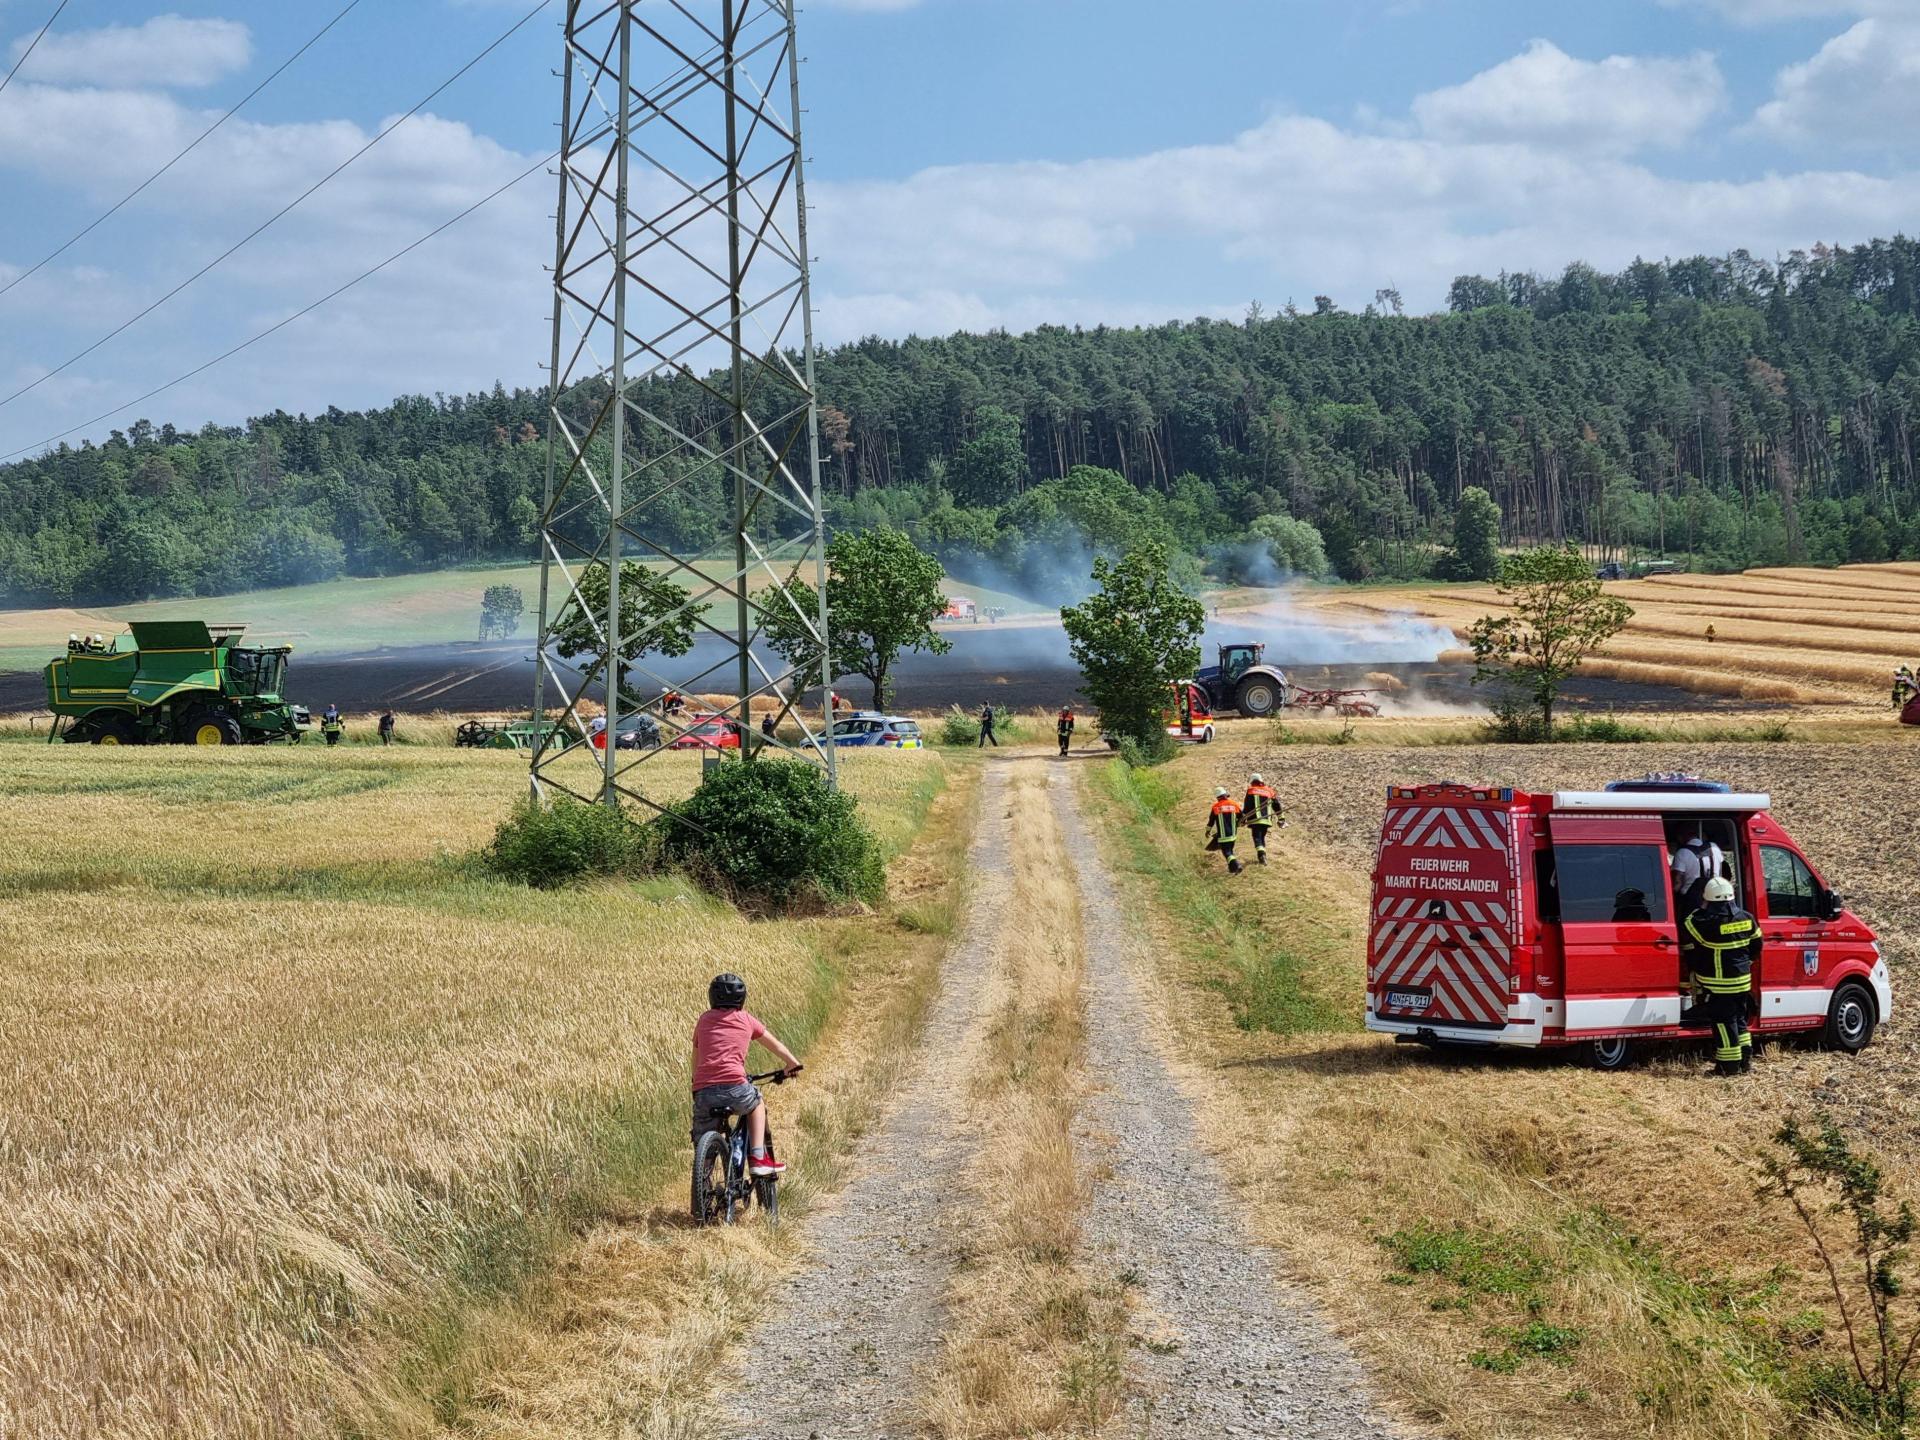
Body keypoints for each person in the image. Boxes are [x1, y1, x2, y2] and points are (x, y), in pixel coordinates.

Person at [691, 973, 802, 1177]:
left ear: (712, 997)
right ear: (742, 998)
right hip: (736, 1088)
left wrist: (695, 1085)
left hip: (704, 1092)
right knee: (757, 1102)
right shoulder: (746, 1019)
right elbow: (774, 1044)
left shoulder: (704, 1020)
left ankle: (701, 1186)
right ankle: (759, 1157)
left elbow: (695, 1057)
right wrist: (792, 1064)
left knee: (702, 1143)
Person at [1681, 876, 1760, 1076]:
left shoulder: (1705, 924)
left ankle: (1728, 1066)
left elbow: (1689, 926)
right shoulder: (1747, 918)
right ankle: (1744, 1060)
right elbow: (1757, 945)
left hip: (1720, 983)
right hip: (1742, 981)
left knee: (1723, 1023)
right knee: (1739, 1019)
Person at [1669, 827, 1725, 914]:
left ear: (1681, 837)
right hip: (1714, 896)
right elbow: (1721, 871)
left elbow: (1677, 883)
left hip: (1692, 900)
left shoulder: (1682, 852)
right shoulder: (1714, 847)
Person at [1242, 772, 1285, 865]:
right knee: (1262, 837)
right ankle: (1263, 855)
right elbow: (1277, 805)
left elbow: (1247, 806)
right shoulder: (1269, 791)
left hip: (1255, 820)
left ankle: (1261, 855)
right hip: (1266, 820)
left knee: (1257, 837)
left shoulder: (1251, 790)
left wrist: (1242, 819)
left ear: (1252, 782)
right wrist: (1281, 818)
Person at [1206, 786, 1243, 874]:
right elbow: (1242, 817)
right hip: (1233, 835)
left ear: (1217, 797)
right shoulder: (1234, 804)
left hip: (1223, 836)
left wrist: (1208, 831)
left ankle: (1237, 865)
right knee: (1230, 851)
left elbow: (1211, 821)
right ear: (1226, 795)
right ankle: (1233, 869)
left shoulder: (1216, 807)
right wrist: (1240, 822)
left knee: (1227, 853)